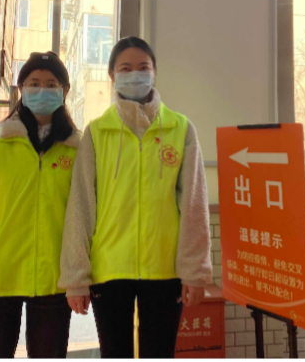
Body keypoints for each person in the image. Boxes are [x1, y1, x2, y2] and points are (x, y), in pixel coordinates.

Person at [59, 37, 213, 359]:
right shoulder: (97, 132)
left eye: (143, 67)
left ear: (154, 72)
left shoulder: (180, 129)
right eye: (125, 68)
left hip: (165, 270)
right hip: (109, 269)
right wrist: (76, 277)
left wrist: (195, 271)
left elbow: (194, 205)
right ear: (112, 75)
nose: (135, 75)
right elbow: (81, 206)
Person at [0, 52, 81, 360]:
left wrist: (79, 277)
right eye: (33, 83)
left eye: (51, 84)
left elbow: (83, 219)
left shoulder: (77, 148)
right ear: (21, 89)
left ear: (64, 91)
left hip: (53, 278)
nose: (41, 90)